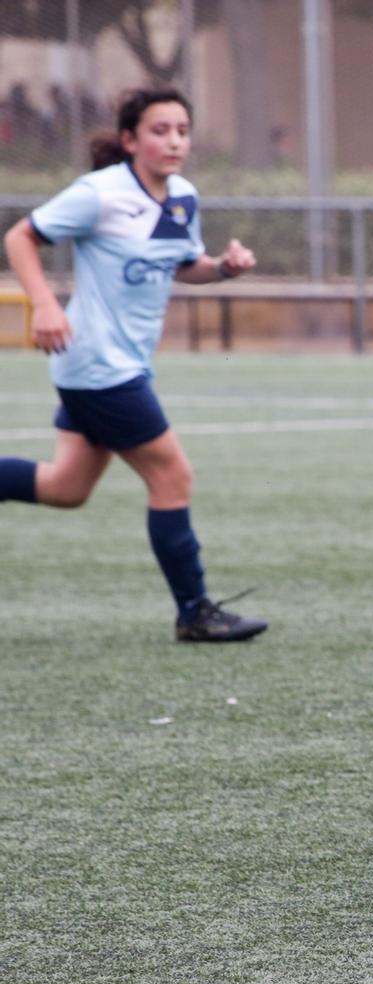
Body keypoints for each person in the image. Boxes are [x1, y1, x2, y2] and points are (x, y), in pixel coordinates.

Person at [0, 87, 267, 642]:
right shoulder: (99, 194)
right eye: (159, 130)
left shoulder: (181, 197)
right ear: (129, 140)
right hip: (98, 365)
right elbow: (20, 237)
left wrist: (223, 268)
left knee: (66, 487)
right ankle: (194, 611)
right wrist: (45, 304)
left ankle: (194, 611)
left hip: (118, 364)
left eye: (182, 131)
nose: (174, 141)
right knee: (172, 475)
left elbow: (182, 263)